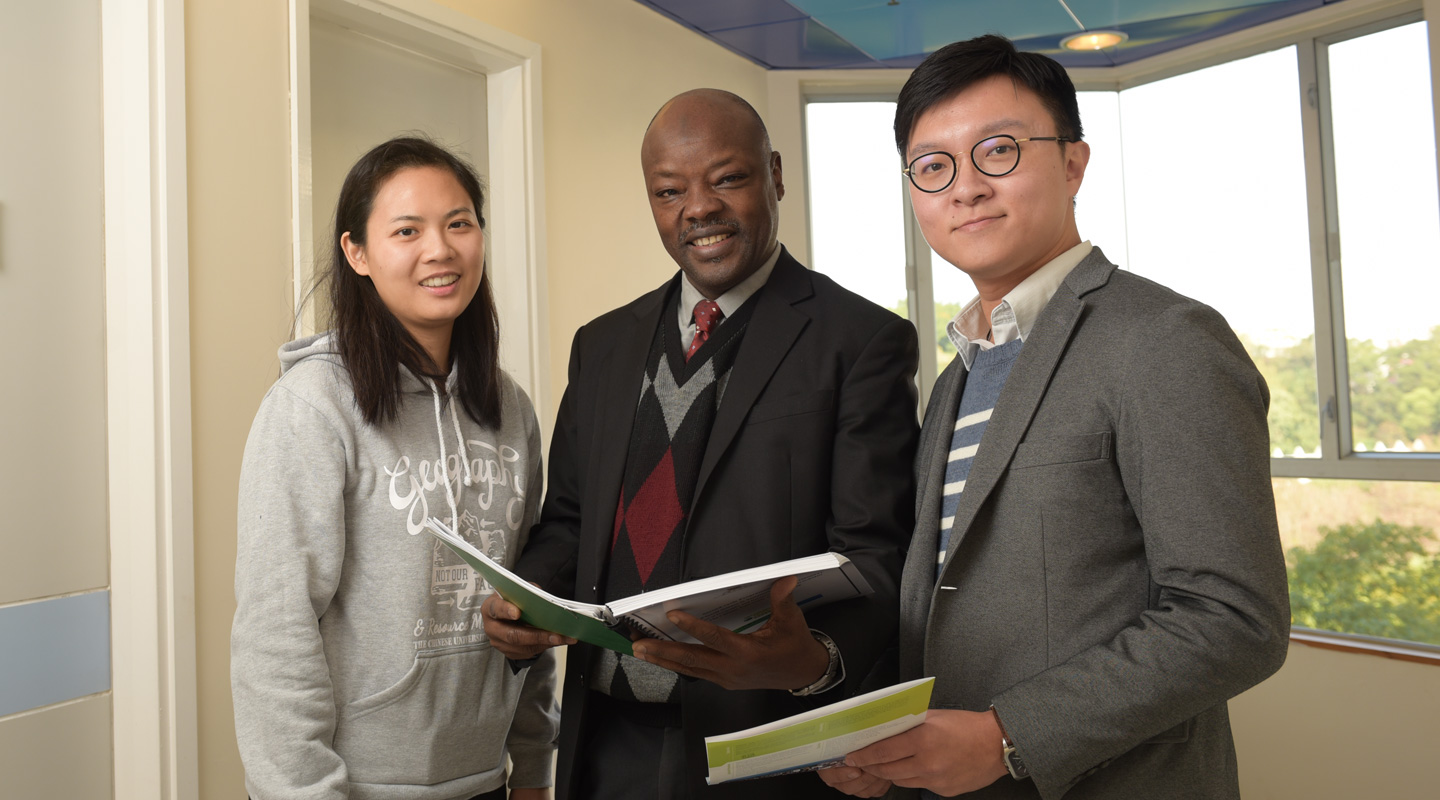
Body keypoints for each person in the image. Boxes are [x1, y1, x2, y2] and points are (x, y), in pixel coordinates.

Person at [820, 35, 1291, 799]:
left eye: (997, 150)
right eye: (933, 166)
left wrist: (1009, 737)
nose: (964, 187)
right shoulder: (953, 378)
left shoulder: (1165, 340)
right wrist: (884, 746)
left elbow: (1235, 619)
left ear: (1073, 163)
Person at [481, 89, 921, 799]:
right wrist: (527, 599)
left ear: (775, 174)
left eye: (727, 178)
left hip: (762, 748)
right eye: (669, 190)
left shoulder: (860, 343)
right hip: (603, 743)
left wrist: (815, 659)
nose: (699, 207)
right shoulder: (603, 345)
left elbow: (875, 556)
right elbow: (569, 520)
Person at [232, 137, 558, 800]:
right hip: (355, 788)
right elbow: (276, 631)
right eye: (406, 230)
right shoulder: (312, 406)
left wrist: (533, 766)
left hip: (487, 780)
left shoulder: (510, 409)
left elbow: (526, 608)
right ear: (357, 253)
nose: (439, 250)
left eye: (458, 224)